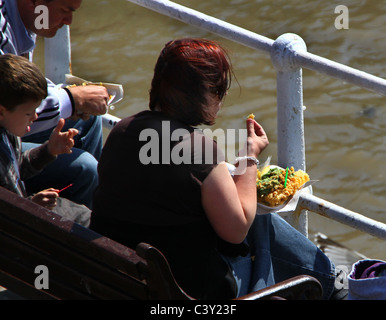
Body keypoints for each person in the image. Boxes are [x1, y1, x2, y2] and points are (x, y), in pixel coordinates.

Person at [90, 38, 337, 299]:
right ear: (202, 94)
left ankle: (329, 279)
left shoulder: (123, 130)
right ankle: (332, 284)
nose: (223, 96)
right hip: (186, 295)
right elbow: (236, 230)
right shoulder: (199, 149)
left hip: (120, 277)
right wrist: (249, 156)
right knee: (260, 223)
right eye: (219, 89)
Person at [0, 0, 109, 208]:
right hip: (21, 219)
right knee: (86, 168)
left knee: (89, 120)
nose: (69, 22)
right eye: (65, 11)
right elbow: (9, 97)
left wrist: (50, 150)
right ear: (35, 3)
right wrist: (72, 99)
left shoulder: (29, 18)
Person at [0, 53, 90, 226]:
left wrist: (49, 150)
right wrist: (32, 207)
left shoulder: (8, 130)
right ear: (2, 111)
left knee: (85, 213)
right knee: (88, 221)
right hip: (23, 229)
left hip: (24, 209)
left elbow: (18, 168)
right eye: (28, 112)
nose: (35, 117)